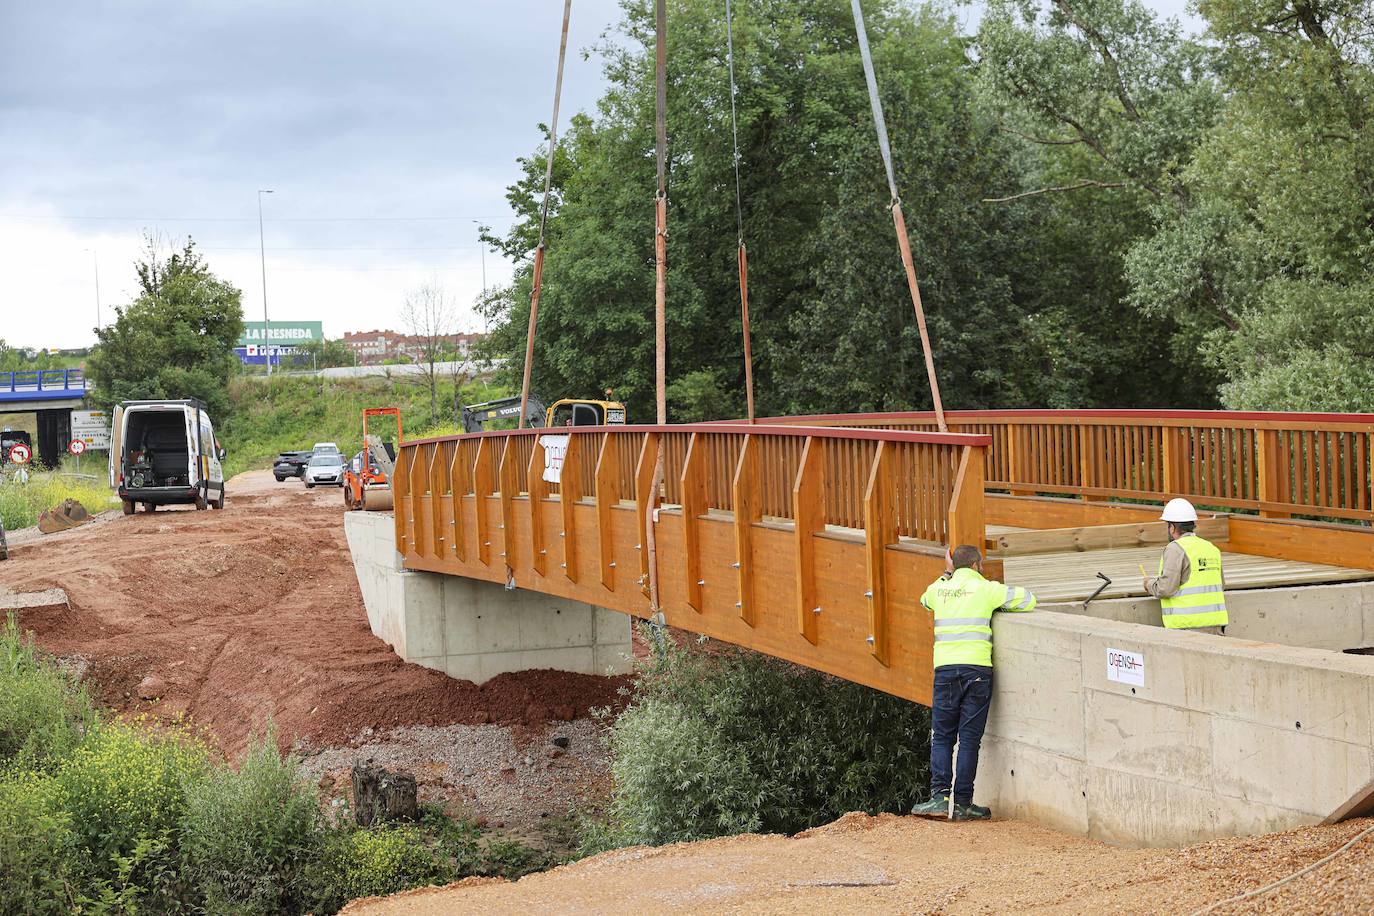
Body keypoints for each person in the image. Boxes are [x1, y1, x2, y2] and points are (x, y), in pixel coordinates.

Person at [910, 544, 1036, 821]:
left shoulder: (941, 588)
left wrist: (947, 573)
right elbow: (1029, 600)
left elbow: (924, 599)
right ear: (977, 564)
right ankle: (964, 803)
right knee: (969, 740)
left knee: (942, 736)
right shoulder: (987, 589)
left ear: (953, 565)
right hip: (977, 671)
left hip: (945, 670)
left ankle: (940, 799)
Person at [1143, 498, 1228, 635]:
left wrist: (1149, 584)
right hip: (1216, 626)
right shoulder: (1211, 548)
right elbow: (1221, 585)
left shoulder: (1175, 549)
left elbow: (1165, 588)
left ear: (1172, 527)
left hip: (1188, 628)